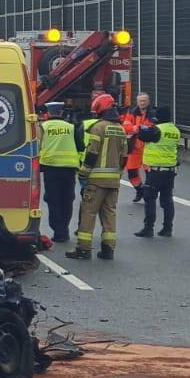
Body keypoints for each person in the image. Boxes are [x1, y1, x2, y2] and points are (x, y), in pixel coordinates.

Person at [67, 93, 127, 261]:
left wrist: (84, 172)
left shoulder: (98, 127)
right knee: (109, 214)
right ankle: (108, 249)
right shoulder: (120, 129)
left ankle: (83, 249)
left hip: (96, 181)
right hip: (113, 181)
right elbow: (124, 156)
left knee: (88, 213)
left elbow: (92, 152)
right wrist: (118, 174)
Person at [133, 106, 180, 238]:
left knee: (149, 198)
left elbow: (142, 136)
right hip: (170, 170)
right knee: (167, 200)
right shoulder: (175, 130)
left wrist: (142, 127)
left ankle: (148, 228)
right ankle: (167, 228)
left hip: (155, 171)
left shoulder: (156, 130)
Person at [37, 102, 79, 243]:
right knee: (67, 199)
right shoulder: (71, 127)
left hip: (51, 167)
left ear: (48, 113)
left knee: (53, 199)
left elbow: (37, 145)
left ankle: (58, 231)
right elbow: (80, 145)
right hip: (69, 168)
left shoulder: (43, 126)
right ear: (61, 113)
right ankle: (64, 229)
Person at [123, 93, 156, 200]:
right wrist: (138, 128)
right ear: (137, 102)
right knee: (132, 172)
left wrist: (137, 128)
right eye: (140, 101)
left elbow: (154, 128)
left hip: (149, 147)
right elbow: (126, 126)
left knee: (150, 173)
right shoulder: (132, 113)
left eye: (144, 100)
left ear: (148, 101)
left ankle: (149, 195)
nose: (142, 103)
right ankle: (140, 191)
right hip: (135, 147)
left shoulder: (153, 113)